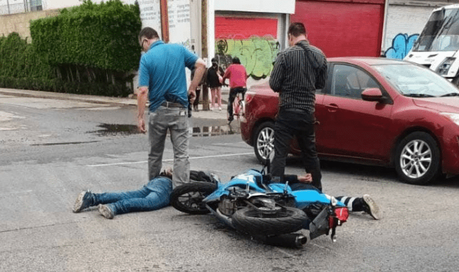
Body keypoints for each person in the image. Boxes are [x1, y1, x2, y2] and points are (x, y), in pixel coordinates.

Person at [137, 27, 206, 188]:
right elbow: (201, 65)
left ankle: (153, 188)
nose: (143, 48)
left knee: (155, 154)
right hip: (179, 110)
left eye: (142, 45)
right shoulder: (178, 49)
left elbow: (143, 90)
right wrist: (193, 88)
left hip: (158, 110)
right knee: (181, 155)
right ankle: (180, 193)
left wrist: (140, 117)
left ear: (146, 40)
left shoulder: (147, 58)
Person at [269, 22, 328, 191]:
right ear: (305, 34)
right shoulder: (320, 55)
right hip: (307, 113)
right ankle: (317, 188)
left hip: (287, 111)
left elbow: (274, 84)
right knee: (310, 152)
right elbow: (321, 83)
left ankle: (276, 190)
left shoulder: (285, 55)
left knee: (280, 153)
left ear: (290, 37)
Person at [72, 169, 174, 219]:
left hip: (159, 179)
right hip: (168, 184)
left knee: (128, 195)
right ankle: (114, 207)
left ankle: (91, 198)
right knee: (148, 202)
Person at [280, 173, 381, 220]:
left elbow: (275, 178)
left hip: (293, 191)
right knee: (329, 199)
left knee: (325, 203)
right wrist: (297, 178)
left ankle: (360, 203)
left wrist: (297, 178)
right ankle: (358, 203)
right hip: (297, 188)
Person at [222, 57, 247, 124]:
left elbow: (224, 76)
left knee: (230, 101)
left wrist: (223, 82)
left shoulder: (231, 67)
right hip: (243, 87)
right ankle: (245, 110)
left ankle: (230, 116)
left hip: (234, 88)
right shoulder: (243, 67)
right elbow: (245, 76)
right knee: (245, 100)